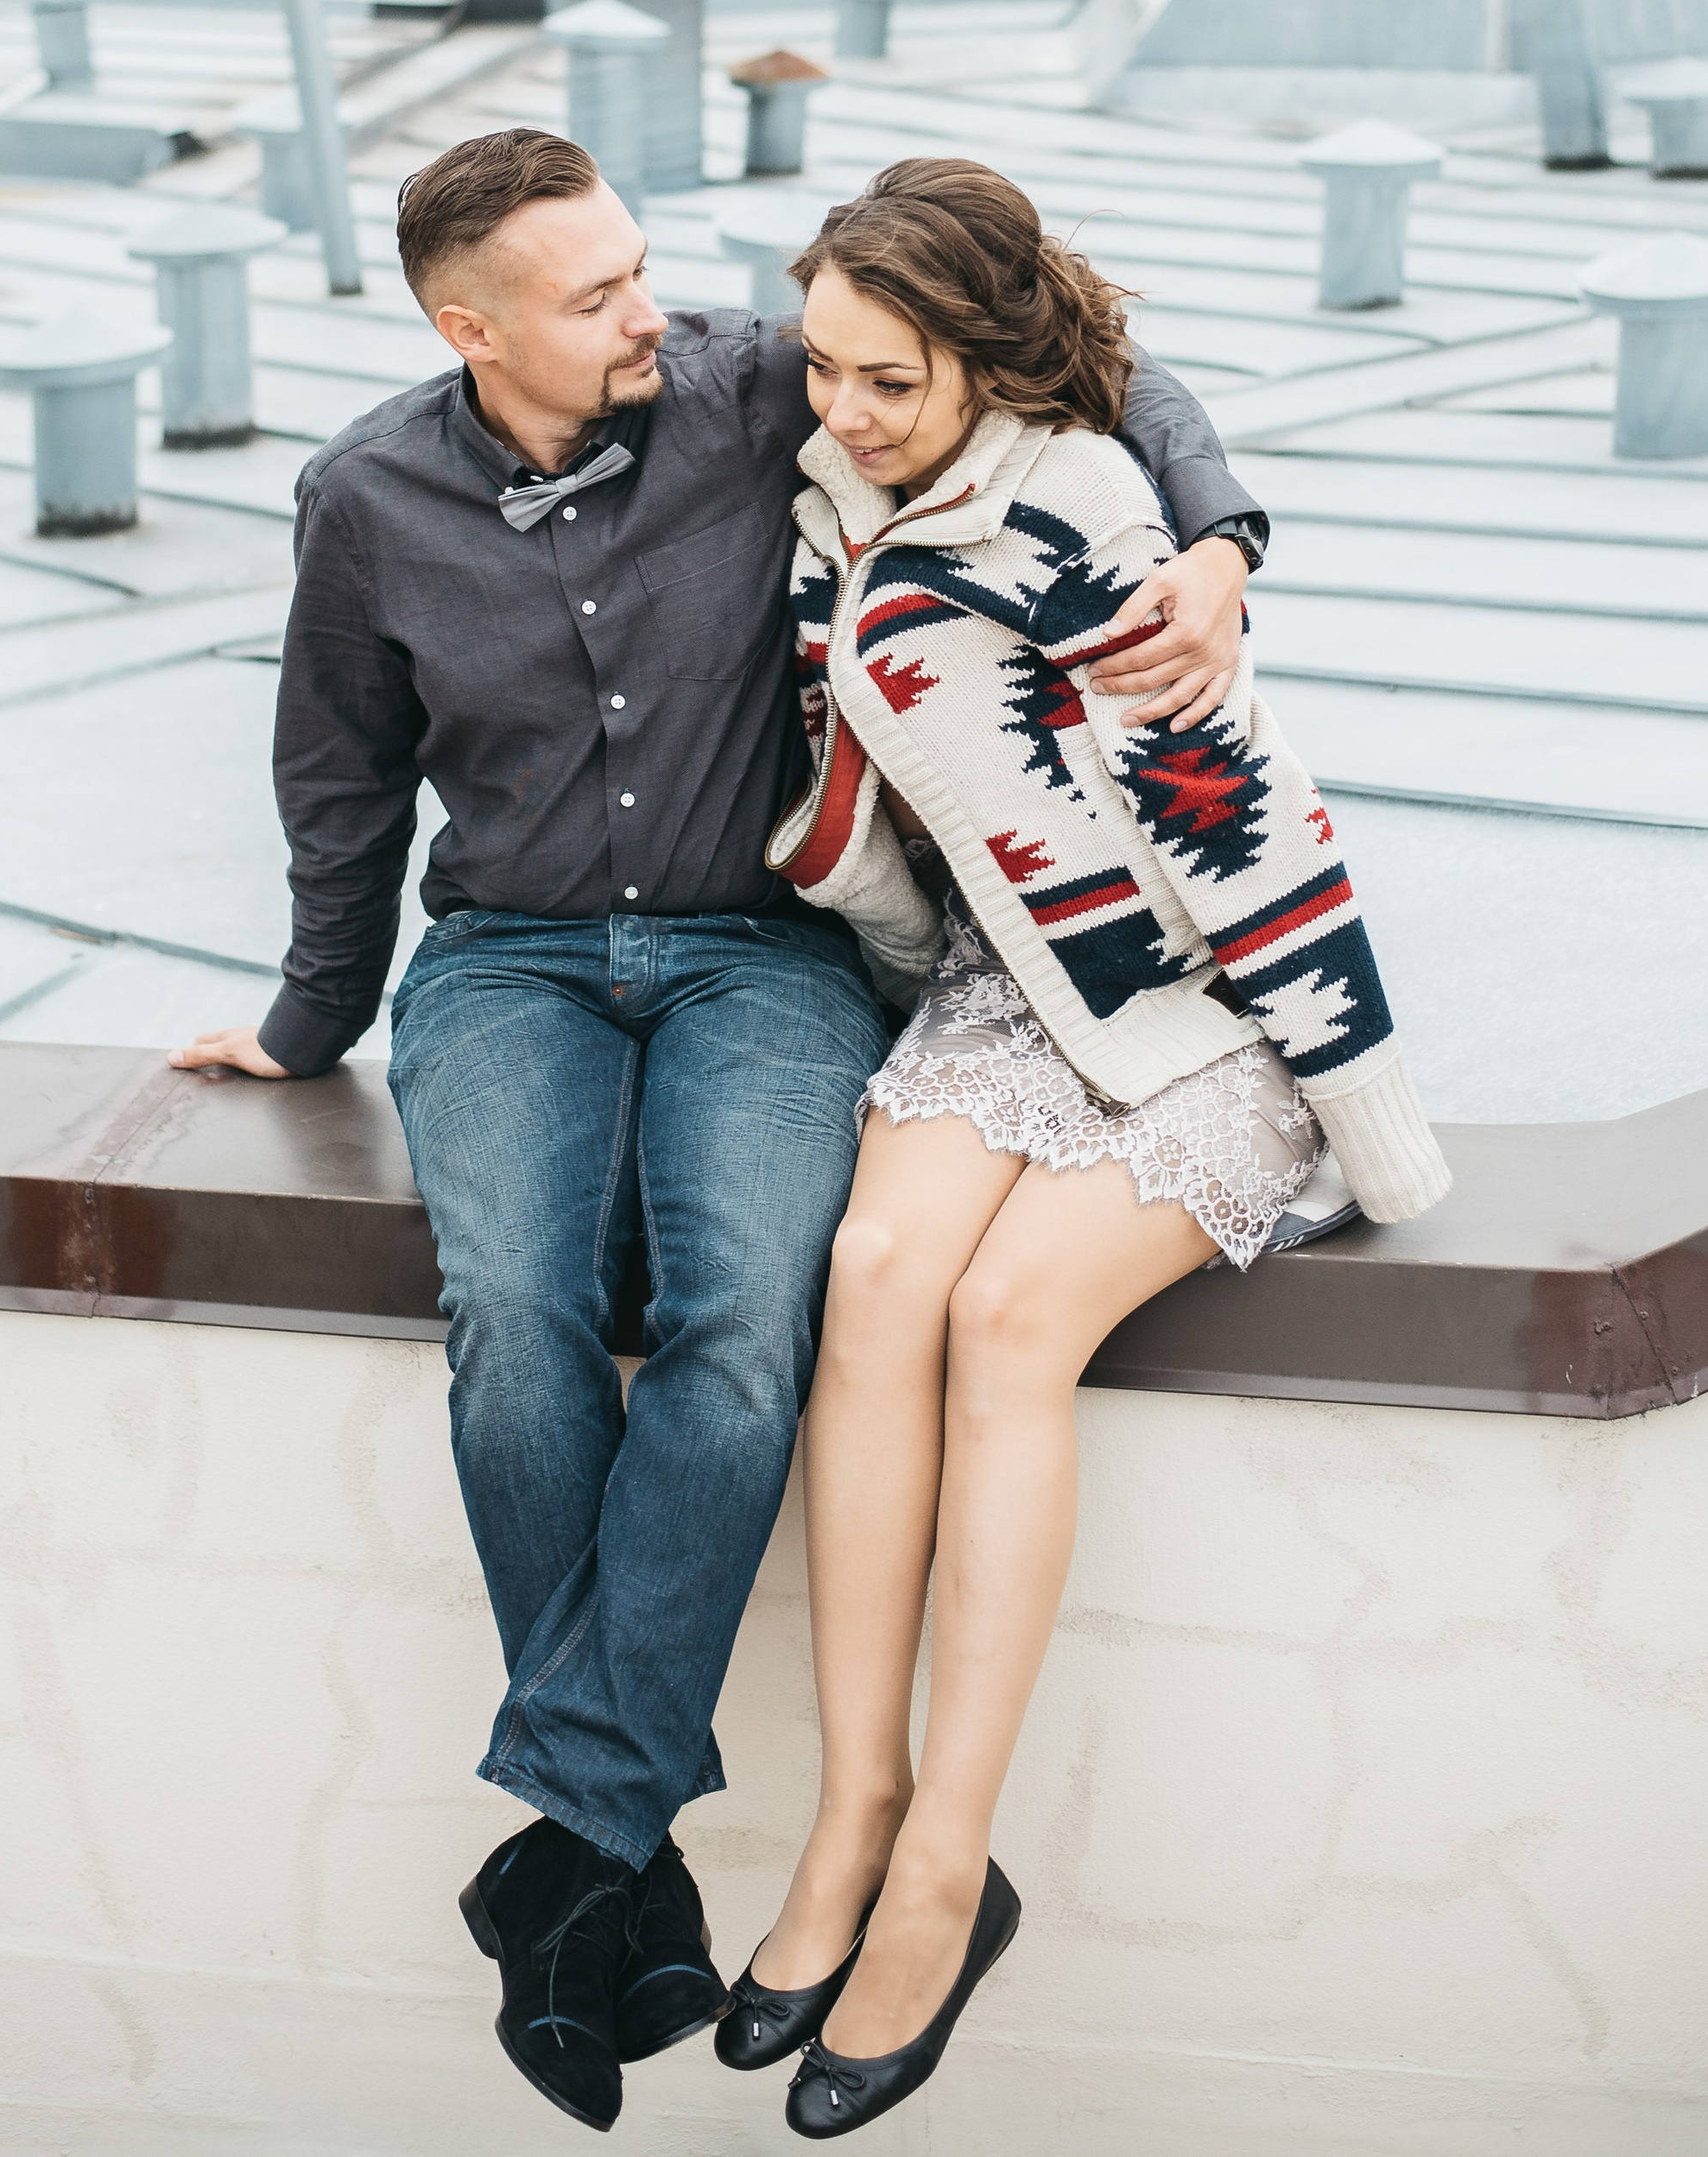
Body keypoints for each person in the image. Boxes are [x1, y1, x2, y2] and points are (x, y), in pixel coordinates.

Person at [172, 124, 1272, 2136]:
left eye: (641, 267)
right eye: (594, 292)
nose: (652, 313)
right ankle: (619, 1840)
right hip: (502, 960)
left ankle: (576, 1852)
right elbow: (338, 793)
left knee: (742, 1311)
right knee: (511, 1309)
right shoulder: (366, 498)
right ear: (466, 325)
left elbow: (1097, 362)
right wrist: (302, 1024)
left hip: (761, 956)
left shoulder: (762, 383)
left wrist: (1213, 542)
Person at [715, 156, 1450, 2139]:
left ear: (981, 361)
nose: (842, 412)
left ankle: (950, 1862)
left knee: (1007, 1319)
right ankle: (848, 1804)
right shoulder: (819, 501)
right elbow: (872, 787)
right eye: (825, 372)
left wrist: (1365, 1110)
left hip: (1204, 1006)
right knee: (872, 1283)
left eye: (887, 380)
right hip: (1000, 990)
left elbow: (1248, 825)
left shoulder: (1086, 523)